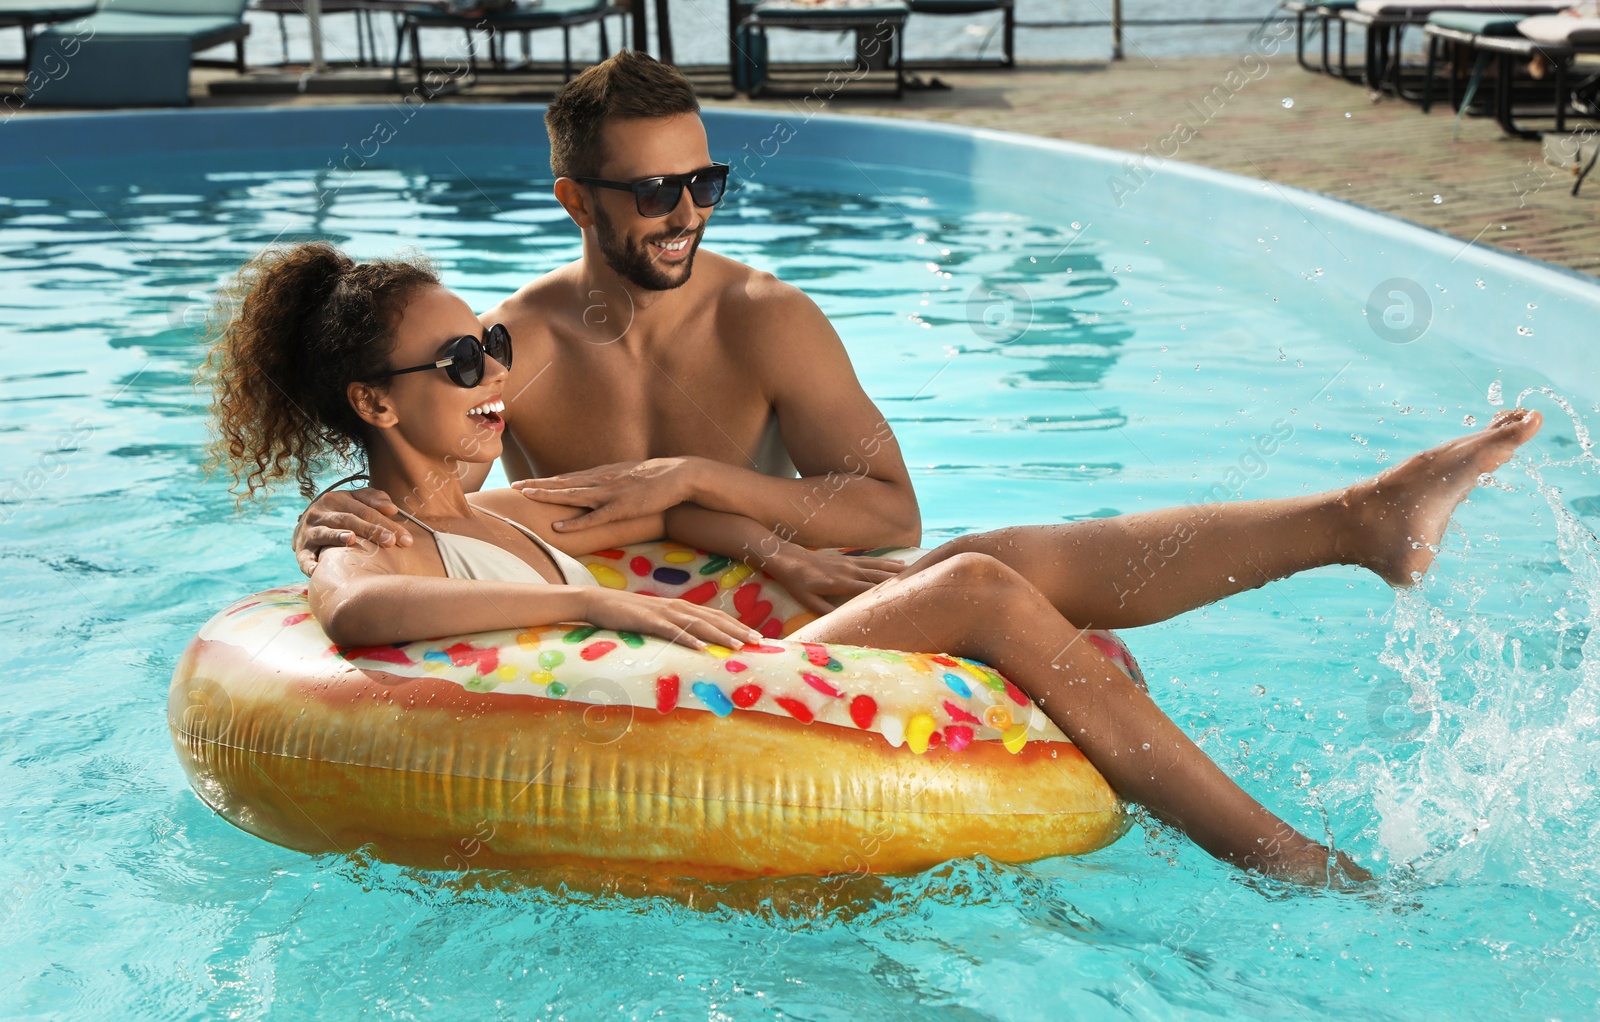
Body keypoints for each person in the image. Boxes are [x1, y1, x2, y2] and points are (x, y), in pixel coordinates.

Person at [208, 242, 1543, 887]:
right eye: (457, 365)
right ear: (375, 406)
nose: (495, 375)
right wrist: (590, 593)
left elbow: (680, 532)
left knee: (976, 549)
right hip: (704, 710)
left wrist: (780, 553)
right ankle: (1283, 854)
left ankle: (1358, 517)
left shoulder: (524, 502)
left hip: (733, 659)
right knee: (972, 592)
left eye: (490, 346)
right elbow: (370, 614)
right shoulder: (362, 525)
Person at [292, 49, 922, 612]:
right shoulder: (512, 349)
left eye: (704, 184)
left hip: (767, 609)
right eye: (654, 192)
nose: (688, 215)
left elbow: (895, 516)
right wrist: (334, 515)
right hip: (589, 653)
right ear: (578, 203)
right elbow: (435, 508)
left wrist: (693, 475)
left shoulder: (769, 321)